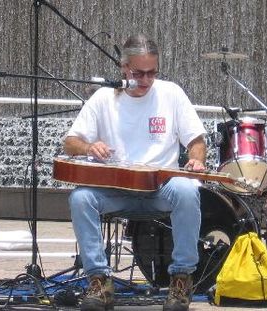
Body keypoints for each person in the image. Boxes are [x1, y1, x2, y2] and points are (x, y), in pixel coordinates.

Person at [64, 34, 207, 311]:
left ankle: (181, 277)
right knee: (81, 198)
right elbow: (70, 143)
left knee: (188, 190)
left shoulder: (171, 93)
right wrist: (90, 146)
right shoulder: (104, 97)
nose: (145, 80)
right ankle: (99, 281)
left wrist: (195, 160)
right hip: (117, 189)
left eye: (151, 73)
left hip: (160, 187)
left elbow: (196, 140)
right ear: (123, 68)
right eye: (138, 73)